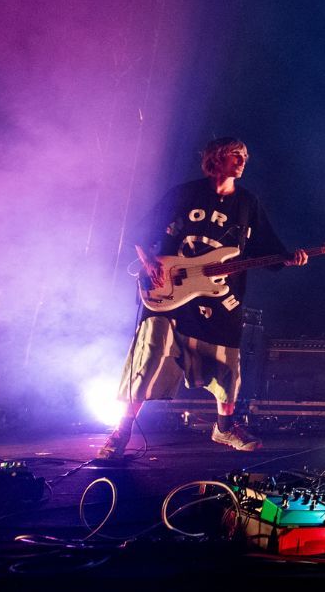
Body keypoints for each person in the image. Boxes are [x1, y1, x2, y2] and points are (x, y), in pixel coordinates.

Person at [98, 137, 307, 459]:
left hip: (220, 299)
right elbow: (142, 232)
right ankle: (121, 431)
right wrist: (150, 263)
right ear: (216, 159)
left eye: (244, 155)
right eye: (235, 155)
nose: (242, 160)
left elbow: (268, 249)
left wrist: (289, 258)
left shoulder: (247, 204)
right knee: (148, 359)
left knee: (227, 364)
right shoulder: (185, 194)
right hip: (168, 293)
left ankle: (224, 426)